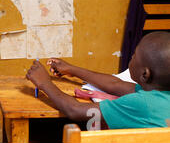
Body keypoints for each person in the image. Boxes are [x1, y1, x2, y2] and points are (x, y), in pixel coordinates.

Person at [26, 31, 170, 129]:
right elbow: (115, 84)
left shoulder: (141, 103)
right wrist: (71, 69)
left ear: (145, 75)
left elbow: (74, 110)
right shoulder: (158, 92)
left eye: (135, 55)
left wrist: (44, 82)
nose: (132, 57)